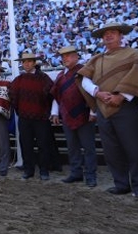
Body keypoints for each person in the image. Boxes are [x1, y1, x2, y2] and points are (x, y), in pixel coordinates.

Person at [79, 21, 138, 198]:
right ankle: (121, 184)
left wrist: (121, 96)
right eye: (105, 33)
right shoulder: (96, 59)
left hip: (127, 107)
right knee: (111, 150)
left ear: (120, 35)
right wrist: (98, 93)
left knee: (134, 149)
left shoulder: (134, 54)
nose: (108, 35)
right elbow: (84, 80)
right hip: (103, 107)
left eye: (112, 32)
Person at [50, 46, 97, 187]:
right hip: (66, 114)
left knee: (88, 147)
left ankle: (90, 175)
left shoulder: (84, 71)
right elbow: (57, 96)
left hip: (84, 113)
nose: (65, 59)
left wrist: (93, 111)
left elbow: (91, 91)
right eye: (63, 57)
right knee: (72, 147)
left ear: (76, 56)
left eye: (69, 56)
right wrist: (54, 112)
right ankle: (76, 172)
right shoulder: (60, 76)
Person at [9, 53, 55, 180]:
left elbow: (51, 94)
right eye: (24, 62)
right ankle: (29, 170)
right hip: (24, 117)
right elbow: (12, 95)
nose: (27, 64)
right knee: (26, 144)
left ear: (35, 62)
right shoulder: (19, 79)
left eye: (29, 61)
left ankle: (44, 170)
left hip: (41, 117)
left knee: (43, 144)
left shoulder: (44, 78)